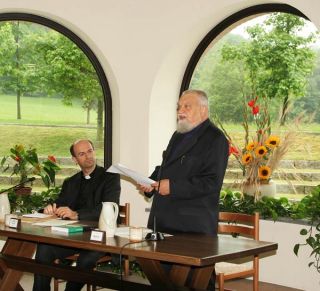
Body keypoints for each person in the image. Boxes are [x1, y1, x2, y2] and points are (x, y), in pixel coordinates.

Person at [33, 139, 120, 291]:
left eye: (90, 151)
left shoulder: (110, 177)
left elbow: (108, 209)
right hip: (73, 236)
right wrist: (49, 208)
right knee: (44, 248)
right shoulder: (70, 182)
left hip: (100, 237)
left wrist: (76, 214)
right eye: (82, 154)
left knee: (86, 260)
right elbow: (60, 203)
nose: (88, 156)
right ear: (75, 159)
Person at [138, 89, 229, 236]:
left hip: (192, 227)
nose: (180, 111)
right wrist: (152, 183)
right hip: (163, 222)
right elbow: (168, 167)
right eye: (179, 107)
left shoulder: (216, 139)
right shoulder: (178, 135)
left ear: (203, 110)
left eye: (187, 106)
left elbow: (211, 182)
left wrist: (172, 187)